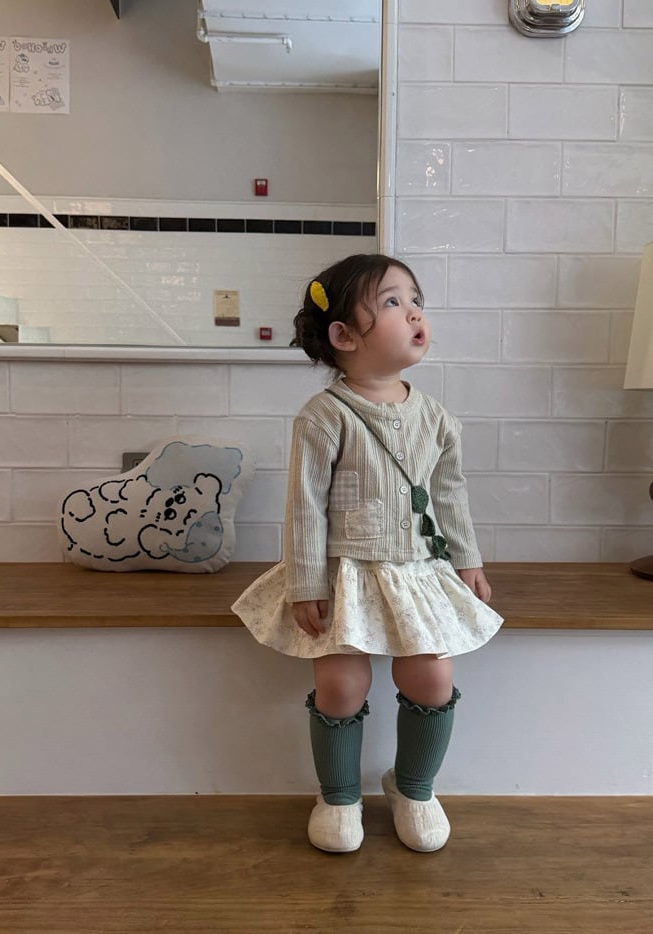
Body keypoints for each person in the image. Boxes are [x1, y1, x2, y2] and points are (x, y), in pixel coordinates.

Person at [232, 253, 503, 854]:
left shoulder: (436, 419)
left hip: (417, 571)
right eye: (392, 302)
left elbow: (449, 493)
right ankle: (338, 796)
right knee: (340, 684)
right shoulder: (324, 416)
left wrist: (468, 559)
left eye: (417, 301)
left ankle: (414, 787)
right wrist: (307, 582)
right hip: (344, 573)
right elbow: (304, 505)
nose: (414, 313)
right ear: (344, 335)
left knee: (432, 678)